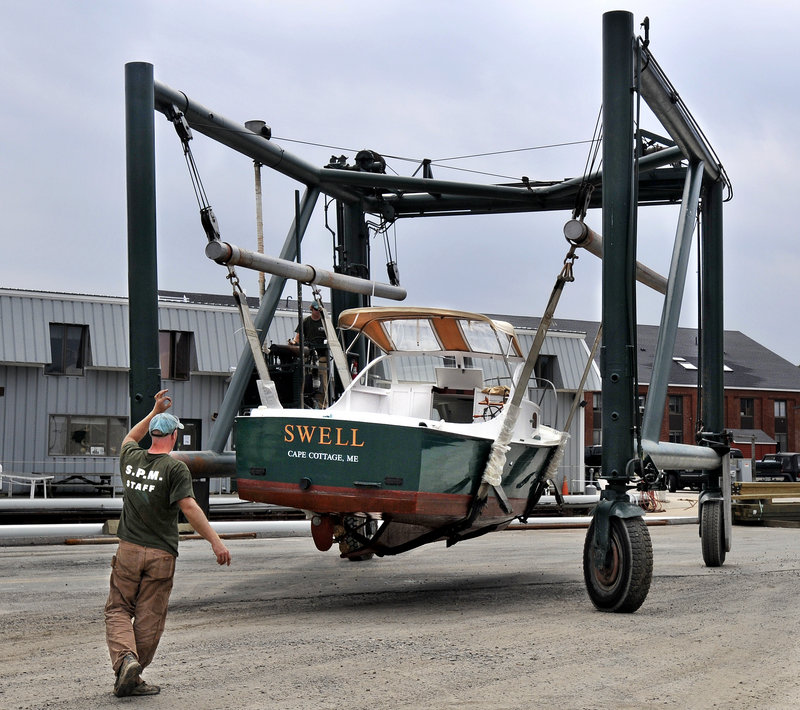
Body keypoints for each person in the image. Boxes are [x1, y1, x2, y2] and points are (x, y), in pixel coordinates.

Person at [104, 389, 231, 698]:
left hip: (129, 550)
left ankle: (126, 662)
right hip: (161, 555)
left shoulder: (131, 457)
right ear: (174, 437)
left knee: (118, 608)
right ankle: (132, 673)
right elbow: (189, 507)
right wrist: (216, 542)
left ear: (153, 434)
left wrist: (153, 410)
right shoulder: (175, 469)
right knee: (149, 618)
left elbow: (131, 437)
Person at [289, 301, 329, 406]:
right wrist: (294, 343)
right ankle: (304, 405)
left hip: (322, 359)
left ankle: (323, 407)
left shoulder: (325, 323)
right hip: (309, 359)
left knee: (322, 384)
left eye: (319, 310)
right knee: (305, 382)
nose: (318, 312)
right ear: (311, 309)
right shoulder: (306, 322)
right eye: (316, 309)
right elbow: (297, 338)